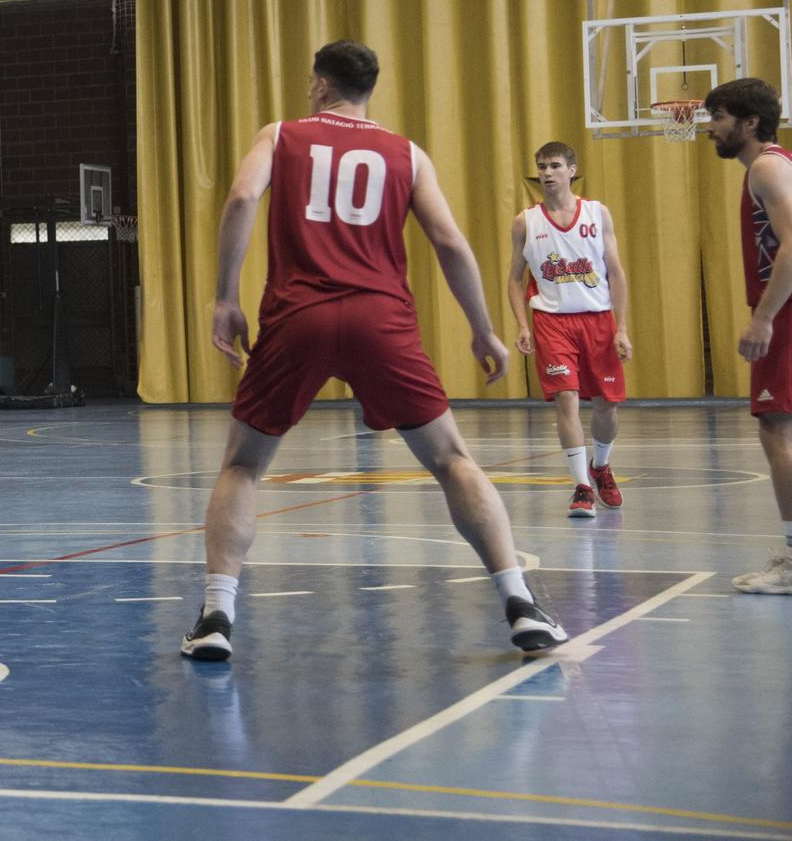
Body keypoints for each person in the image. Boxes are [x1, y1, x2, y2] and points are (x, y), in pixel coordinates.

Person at [194, 40, 567, 661]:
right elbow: (449, 242)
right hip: (380, 319)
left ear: (319, 83)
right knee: (451, 460)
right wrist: (482, 329)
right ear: (371, 90)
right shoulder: (406, 153)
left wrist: (225, 297)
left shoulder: (282, 134)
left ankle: (215, 616)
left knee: (242, 466)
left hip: (298, 316)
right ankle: (520, 603)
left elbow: (239, 199)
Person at [505, 141, 632, 518]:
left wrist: (621, 328)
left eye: (555, 165)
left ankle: (601, 466)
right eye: (541, 166)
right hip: (551, 322)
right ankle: (580, 487)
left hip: (597, 319)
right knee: (566, 398)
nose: (546, 173)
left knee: (607, 405)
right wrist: (520, 324)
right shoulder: (525, 221)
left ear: (571, 169)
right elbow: (514, 279)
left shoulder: (596, 213)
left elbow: (616, 272)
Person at [705, 78, 792, 595]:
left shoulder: (766, 166)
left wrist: (763, 318)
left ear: (749, 122)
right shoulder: (776, 165)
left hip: (785, 310)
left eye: (718, 117)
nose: (711, 129)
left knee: (775, 428)